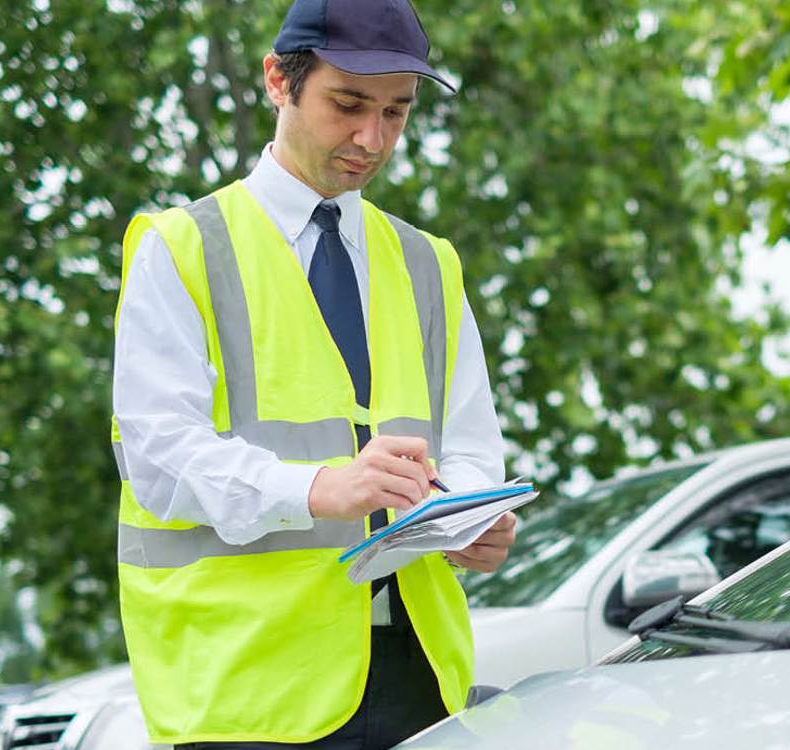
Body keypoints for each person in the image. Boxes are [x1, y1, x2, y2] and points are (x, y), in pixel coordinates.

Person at [109, 1, 516, 746]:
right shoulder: (182, 247)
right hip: (249, 688)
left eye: (397, 112)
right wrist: (320, 488)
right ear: (278, 81)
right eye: (348, 104)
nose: (372, 139)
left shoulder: (429, 263)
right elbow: (161, 458)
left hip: (419, 677)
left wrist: (468, 517)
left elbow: (469, 443)